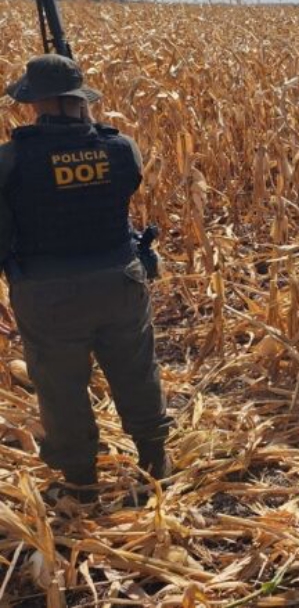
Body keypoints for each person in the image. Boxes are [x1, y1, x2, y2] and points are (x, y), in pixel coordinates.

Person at [0, 55, 172, 503]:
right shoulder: (122, 147)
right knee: (136, 369)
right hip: (120, 279)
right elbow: (115, 183)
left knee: (61, 385)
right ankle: (156, 461)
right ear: (80, 99)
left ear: (34, 102)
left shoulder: (11, 159)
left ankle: (81, 482)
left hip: (48, 292)